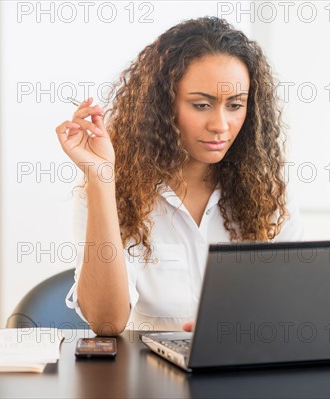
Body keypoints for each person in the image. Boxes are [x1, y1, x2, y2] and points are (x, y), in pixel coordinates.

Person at [55, 16, 303, 336]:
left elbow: (295, 304)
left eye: (235, 105)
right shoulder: (113, 190)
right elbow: (106, 321)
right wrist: (102, 178)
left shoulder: (267, 191)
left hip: (243, 374)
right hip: (148, 379)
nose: (220, 124)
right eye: (201, 105)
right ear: (163, 106)